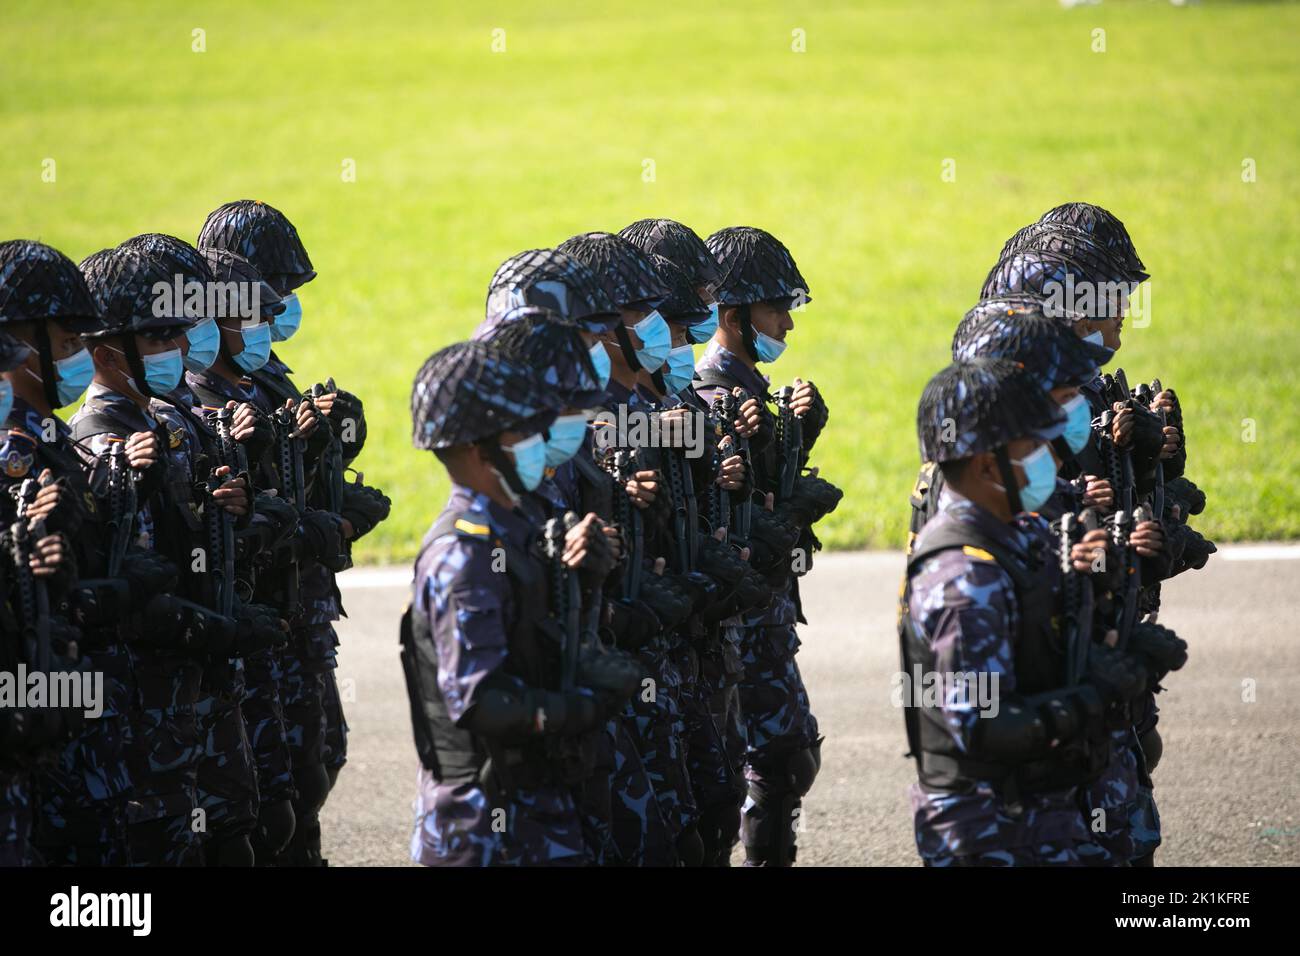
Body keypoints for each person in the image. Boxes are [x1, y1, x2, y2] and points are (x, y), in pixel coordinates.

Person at [901, 357, 1154, 866]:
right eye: (1032, 448)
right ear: (986, 465)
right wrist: (1093, 695)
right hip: (994, 833)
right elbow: (985, 725)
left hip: (1040, 817)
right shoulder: (962, 579)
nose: (1050, 460)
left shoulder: (1015, 532)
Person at [402, 338, 638, 866]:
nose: (541, 437)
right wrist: (580, 707)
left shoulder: (517, 528)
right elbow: (479, 699)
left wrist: (589, 580)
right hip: (485, 828)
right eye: (525, 428)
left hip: (536, 808)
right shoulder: (464, 554)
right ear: (477, 449)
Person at [693, 225, 837, 866]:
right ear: (734, 315)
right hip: (736, 619)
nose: (788, 322)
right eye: (775, 307)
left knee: (783, 759)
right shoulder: (708, 397)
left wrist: (798, 436)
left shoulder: (751, 390)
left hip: (767, 611)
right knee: (755, 769)